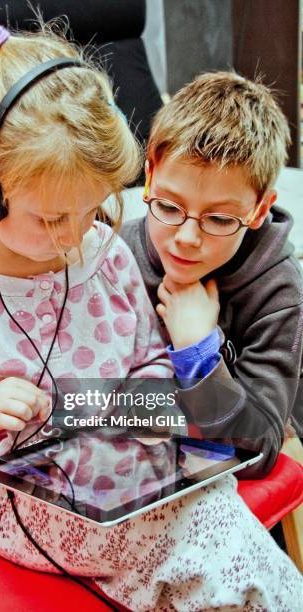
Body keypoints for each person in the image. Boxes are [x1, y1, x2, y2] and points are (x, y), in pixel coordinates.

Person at [0, 2, 301, 609]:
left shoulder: (102, 249)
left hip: (130, 471)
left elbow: (146, 359)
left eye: (93, 209)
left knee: (223, 528)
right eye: (54, 217)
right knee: (173, 557)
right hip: (12, 490)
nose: (75, 236)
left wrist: (139, 404)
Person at [121, 71, 303, 479]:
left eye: (219, 218)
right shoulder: (116, 254)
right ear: (149, 177)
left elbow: (261, 448)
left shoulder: (280, 290)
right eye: (168, 207)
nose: (186, 239)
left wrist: (198, 352)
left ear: (259, 209)